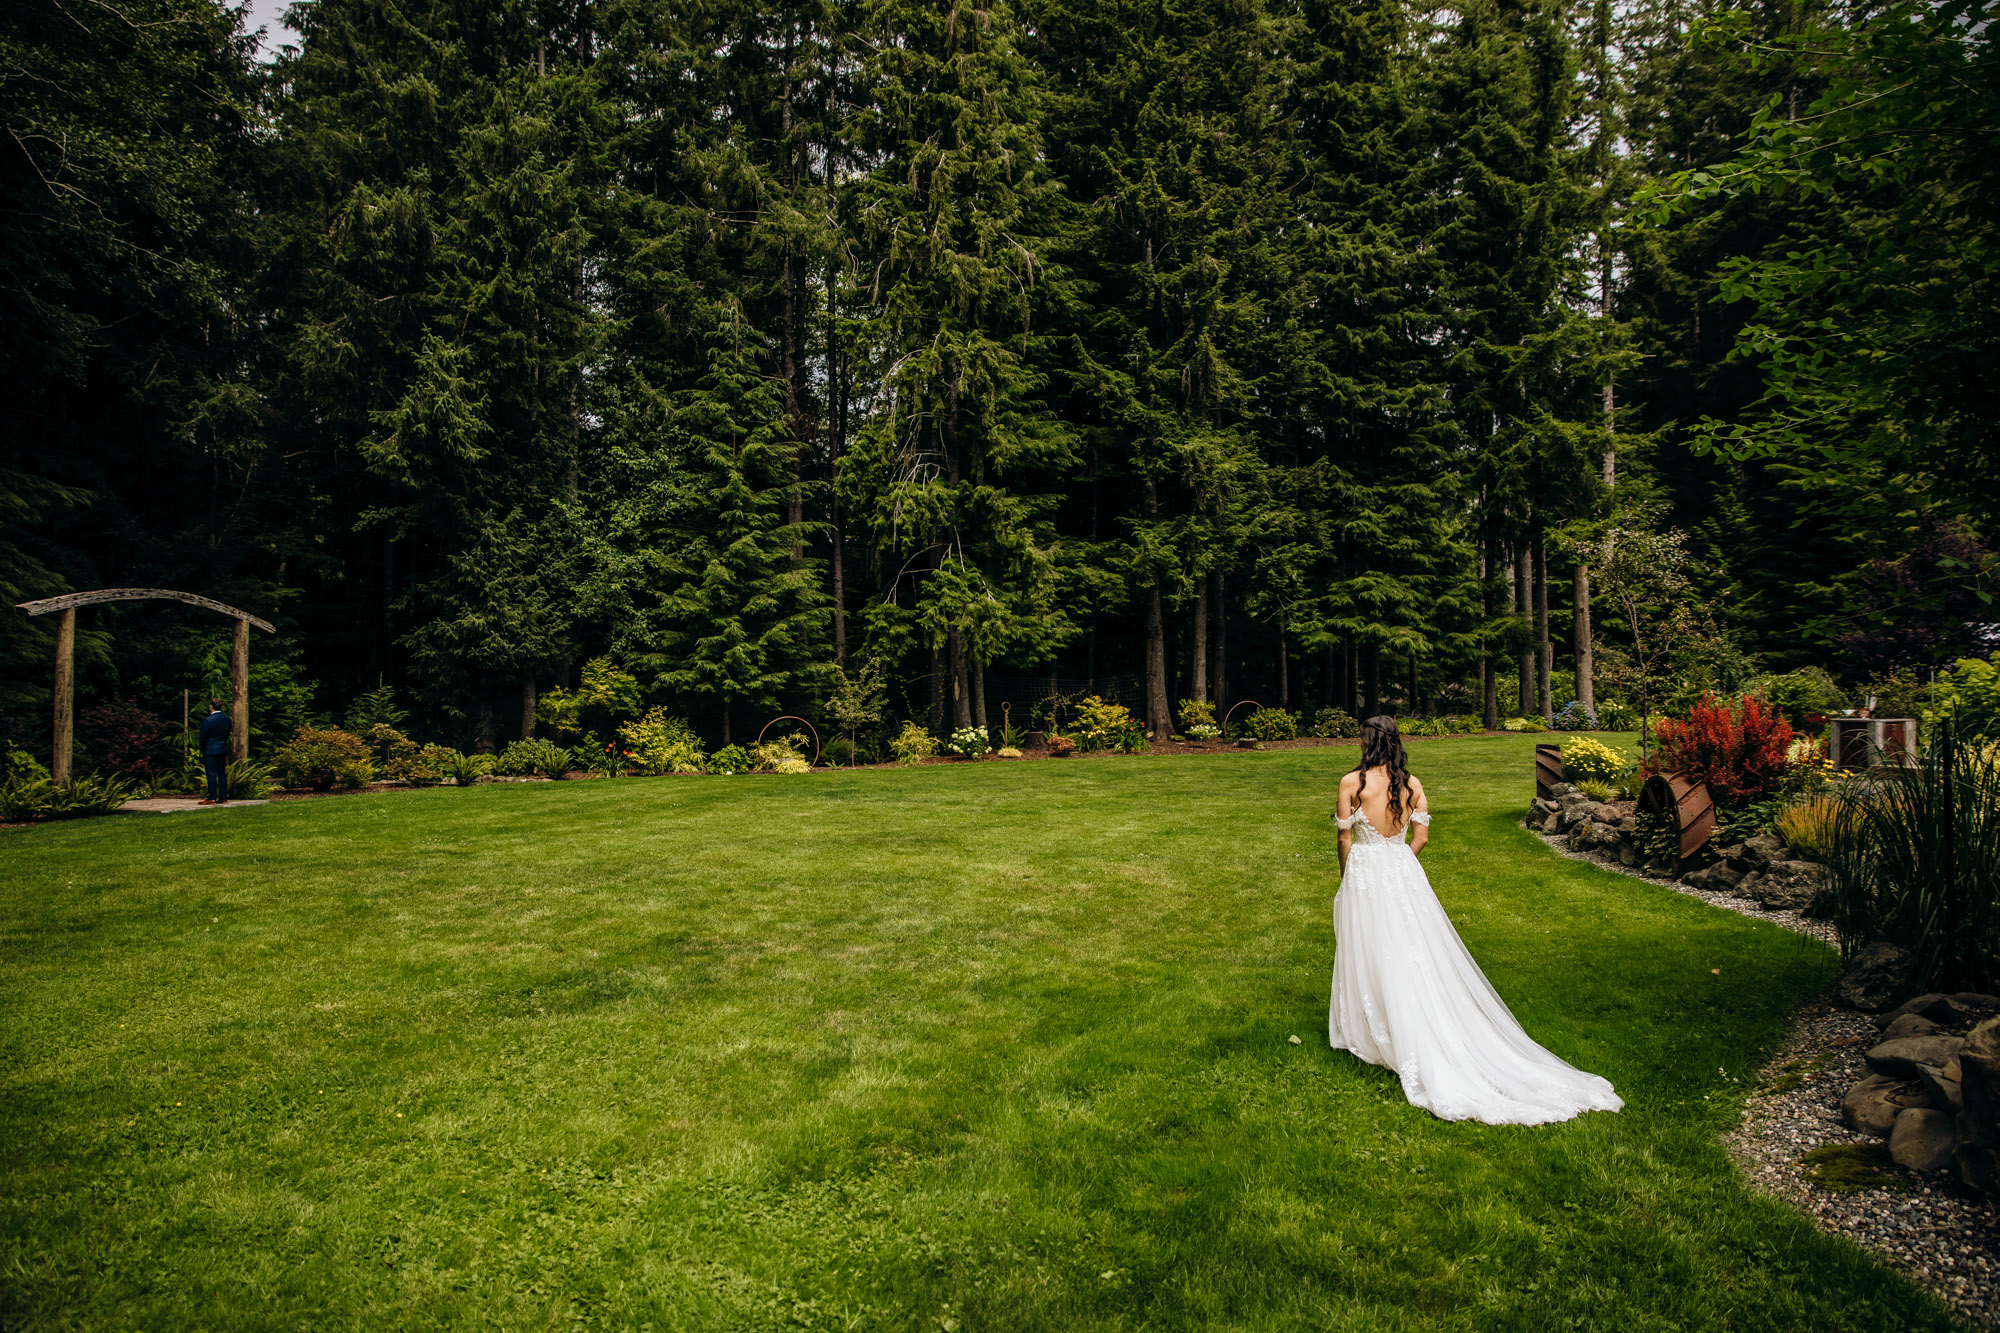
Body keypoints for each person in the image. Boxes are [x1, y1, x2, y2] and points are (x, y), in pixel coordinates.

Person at [1328, 715, 1622, 1125]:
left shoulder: (1351, 783)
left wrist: (1350, 875)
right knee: (1417, 951)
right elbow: (1422, 837)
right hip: (1402, 873)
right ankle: (1413, 1020)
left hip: (1366, 874)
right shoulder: (1411, 785)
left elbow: (1345, 838)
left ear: (1366, 742)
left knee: (1374, 947)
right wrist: (1399, 863)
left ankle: (1382, 1030)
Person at [198, 698, 231, 805]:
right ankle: (223, 797)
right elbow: (227, 733)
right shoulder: (227, 719)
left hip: (210, 749)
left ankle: (212, 797)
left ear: (211, 707)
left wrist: (204, 748)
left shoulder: (208, 720)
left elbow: (203, 737)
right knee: (222, 773)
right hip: (222, 748)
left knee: (211, 773)